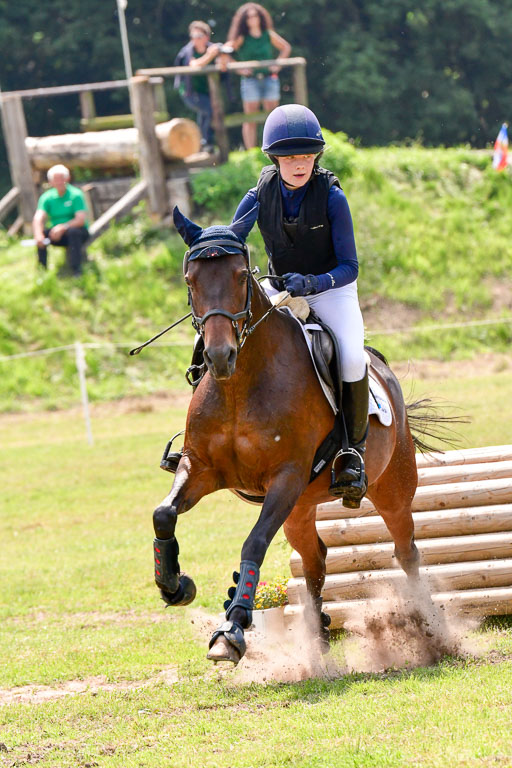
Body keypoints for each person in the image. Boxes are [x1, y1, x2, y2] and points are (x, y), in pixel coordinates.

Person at [232, 104, 368, 503]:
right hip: (280, 290)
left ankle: (353, 454)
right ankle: (206, 436)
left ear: (316, 157)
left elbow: (350, 267)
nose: (299, 164)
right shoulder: (258, 196)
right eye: (290, 157)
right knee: (224, 333)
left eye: (306, 156)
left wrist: (313, 282)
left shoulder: (333, 197)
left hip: (330, 289)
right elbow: (232, 239)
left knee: (351, 357)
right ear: (274, 159)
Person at [223, 3, 291, 149]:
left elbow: (286, 47)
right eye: (248, 17)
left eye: (255, 16)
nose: (252, 19)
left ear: (260, 17)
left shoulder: (267, 34)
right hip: (250, 80)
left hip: (269, 78)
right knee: (250, 117)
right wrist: (239, 69)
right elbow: (225, 52)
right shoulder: (242, 37)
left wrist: (278, 65)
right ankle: (251, 151)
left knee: (273, 115)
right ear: (244, 20)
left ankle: (275, 147)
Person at [32, 164, 89, 275]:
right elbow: (38, 217)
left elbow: (80, 220)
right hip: (56, 234)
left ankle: (76, 270)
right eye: (55, 179)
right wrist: (38, 234)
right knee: (42, 234)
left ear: (67, 179)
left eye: (61, 178)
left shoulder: (75, 195)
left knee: (73, 232)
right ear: (50, 181)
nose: (59, 182)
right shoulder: (46, 197)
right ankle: (42, 271)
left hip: (77, 232)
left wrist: (63, 227)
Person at [174, 21, 221, 151]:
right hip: (189, 92)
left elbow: (224, 65)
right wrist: (210, 55)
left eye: (199, 36)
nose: (195, 39)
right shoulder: (187, 51)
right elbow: (194, 65)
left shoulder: (213, 49)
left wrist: (222, 57)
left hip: (207, 92)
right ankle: (206, 142)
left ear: (207, 37)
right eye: (193, 36)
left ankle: (204, 144)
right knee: (209, 110)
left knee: (206, 113)